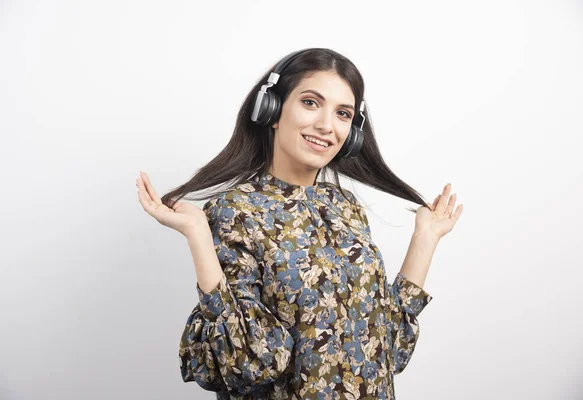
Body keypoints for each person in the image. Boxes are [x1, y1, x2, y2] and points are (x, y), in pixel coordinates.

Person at [136, 48, 463, 400]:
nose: (326, 125)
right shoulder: (235, 211)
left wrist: (425, 238)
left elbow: (387, 349)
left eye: (342, 113)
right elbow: (248, 361)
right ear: (272, 111)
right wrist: (198, 235)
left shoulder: (345, 207)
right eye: (310, 103)